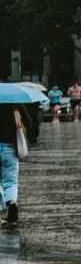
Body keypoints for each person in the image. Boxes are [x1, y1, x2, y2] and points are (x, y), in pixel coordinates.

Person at [1, 93, 28, 230]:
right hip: (10, 147)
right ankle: (11, 202)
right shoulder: (14, 104)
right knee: (10, 181)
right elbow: (29, 122)